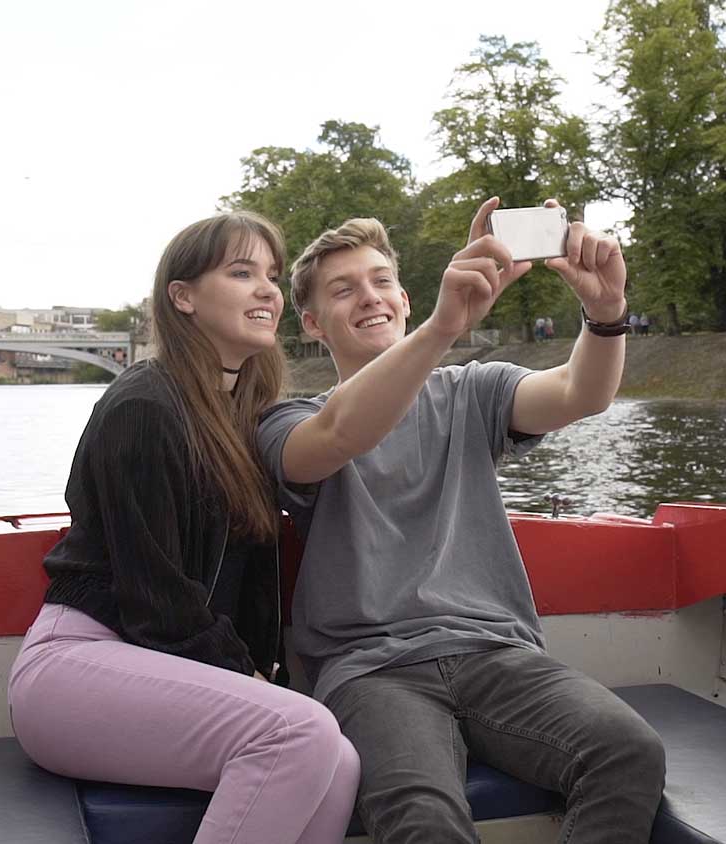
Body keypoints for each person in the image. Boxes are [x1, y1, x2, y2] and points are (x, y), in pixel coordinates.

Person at [258, 198, 665, 844]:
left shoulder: (472, 392)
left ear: (407, 299)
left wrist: (607, 314)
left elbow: (581, 394)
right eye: (344, 290)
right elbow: (335, 437)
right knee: (422, 817)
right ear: (312, 322)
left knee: (628, 750)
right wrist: (443, 331)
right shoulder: (285, 421)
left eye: (381, 281)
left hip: (496, 654)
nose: (370, 297)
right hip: (372, 671)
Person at [7, 212, 359, 844]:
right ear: (184, 296)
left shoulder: (240, 412)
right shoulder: (145, 407)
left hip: (161, 660)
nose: (268, 291)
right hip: (79, 661)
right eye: (242, 272)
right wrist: (248, 676)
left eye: (272, 276)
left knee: (341, 763)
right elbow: (155, 598)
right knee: (300, 732)